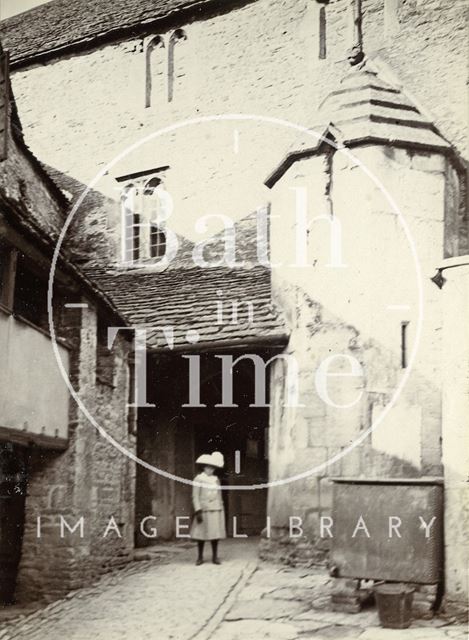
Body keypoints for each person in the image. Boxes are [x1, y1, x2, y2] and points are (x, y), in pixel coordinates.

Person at [191, 451, 226, 565]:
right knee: (201, 534)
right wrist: (198, 510)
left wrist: (221, 508)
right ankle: (200, 557)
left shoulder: (216, 480)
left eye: (212, 468)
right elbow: (195, 495)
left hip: (215, 509)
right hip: (204, 509)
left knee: (214, 534)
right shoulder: (198, 478)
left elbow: (219, 494)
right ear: (204, 467)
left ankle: (215, 557)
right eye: (208, 467)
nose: (210, 470)